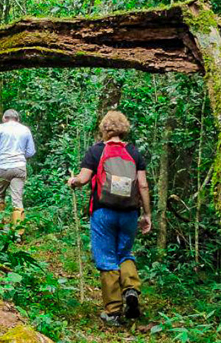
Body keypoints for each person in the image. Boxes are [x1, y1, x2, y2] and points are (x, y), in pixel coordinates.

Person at [67, 110, 152, 326]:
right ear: (124, 128)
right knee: (124, 253)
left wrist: (73, 181)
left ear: (104, 129)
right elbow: (142, 185)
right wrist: (147, 214)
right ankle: (131, 289)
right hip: (129, 213)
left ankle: (113, 311)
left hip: (103, 212)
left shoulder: (96, 151)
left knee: (106, 258)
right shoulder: (134, 152)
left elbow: (84, 179)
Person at [0, 109, 36, 233]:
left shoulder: (1, 128)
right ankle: (18, 233)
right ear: (18, 119)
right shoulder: (25, 130)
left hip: (3, 167)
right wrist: (20, 156)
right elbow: (31, 151)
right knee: (17, 199)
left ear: (4, 118)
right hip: (19, 167)